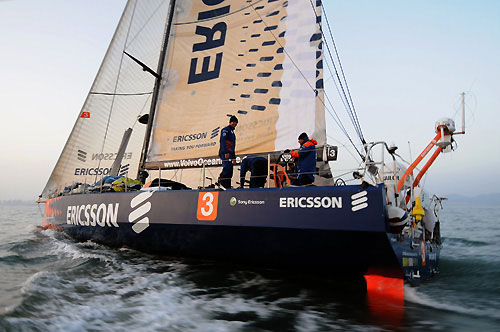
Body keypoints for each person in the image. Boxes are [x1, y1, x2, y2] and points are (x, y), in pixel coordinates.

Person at [218, 115, 238, 188]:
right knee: (227, 167)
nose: (234, 124)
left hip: (230, 154)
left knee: (230, 170)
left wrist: (234, 157)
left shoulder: (232, 133)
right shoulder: (225, 130)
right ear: (230, 122)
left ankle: (227, 185)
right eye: (233, 122)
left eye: (236, 123)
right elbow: (222, 141)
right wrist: (225, 152)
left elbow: (233, 146)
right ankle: (221, 181)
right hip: (225, 153)